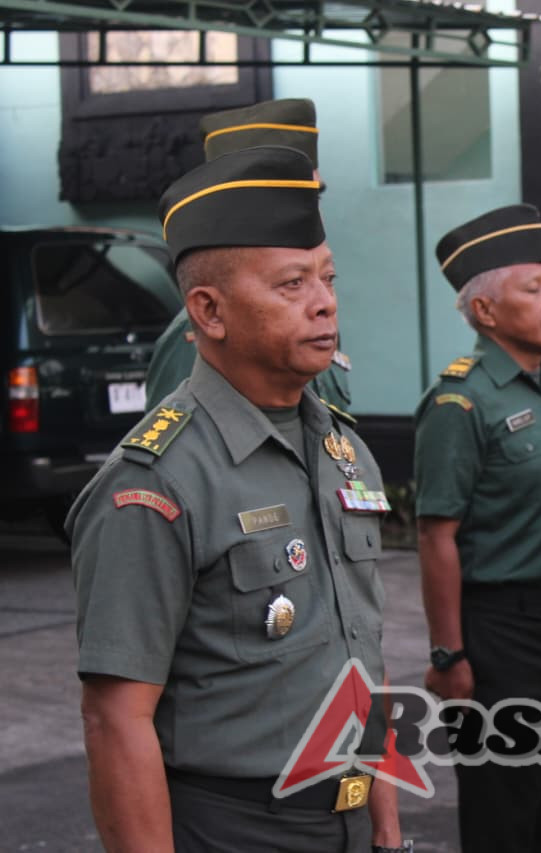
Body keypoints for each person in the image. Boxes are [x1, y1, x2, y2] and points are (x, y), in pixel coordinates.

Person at [68, 145, 407, 853]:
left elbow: (358, 653)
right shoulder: (156, 482)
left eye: (327, 277)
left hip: (345, 815)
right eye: (290, 284)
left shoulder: (344, 450)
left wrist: (385, 824)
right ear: (210, 311)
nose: (324, 302)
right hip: (231, 827)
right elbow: (115, 719)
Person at [413, 204, 541, 852]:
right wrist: (449, 655)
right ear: (485, 312)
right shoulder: (460, 402)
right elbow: (435, 536)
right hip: (501, 635)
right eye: (534, 288)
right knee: (505, 811)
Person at [145, 98, 353, 412]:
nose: (311, 215)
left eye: (314, 196)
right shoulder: (200, 333)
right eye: (292, 200)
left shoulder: (315, 306)